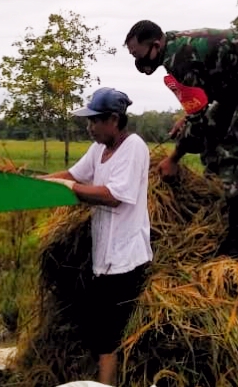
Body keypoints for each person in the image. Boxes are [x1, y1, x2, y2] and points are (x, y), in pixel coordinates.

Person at [124, 20, 238, 257]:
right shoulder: (172, 45)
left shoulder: (178, 58)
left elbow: (198, 122)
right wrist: (187, 116)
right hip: (236, 83)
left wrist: (174, 158)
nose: (137, 61)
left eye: (138, 54)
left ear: (156, 44)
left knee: (235, 150)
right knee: (212, 130)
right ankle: (217, 194)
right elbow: (201, 97)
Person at [42, 87, 152, 386]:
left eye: (94, 121)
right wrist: (36, 183)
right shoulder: (98, 149)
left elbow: (113, 196)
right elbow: (73, 176)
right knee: (96, 330)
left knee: (109, 336)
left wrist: (72, 191)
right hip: (104, 258)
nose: (89, 127)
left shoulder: (134, 147)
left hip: (126, 260)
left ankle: (106, 384)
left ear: (113, 119)